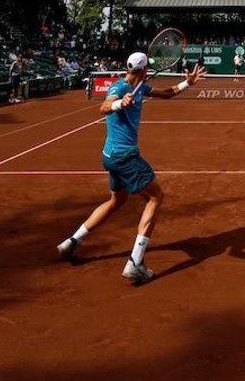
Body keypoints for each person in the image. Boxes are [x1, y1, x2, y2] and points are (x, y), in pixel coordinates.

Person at [56, 52, 207, 284]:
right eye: (148, 68)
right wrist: (119, 103)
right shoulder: (119, 87)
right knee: (156, 197)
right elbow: (104, 107)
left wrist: (188, 82)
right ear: (143, 70)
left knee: (117, 201)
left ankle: (72, 241)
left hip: (109, 156)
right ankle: (135, 263)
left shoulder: (141, 87)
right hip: (125, 157)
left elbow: (168, 93)